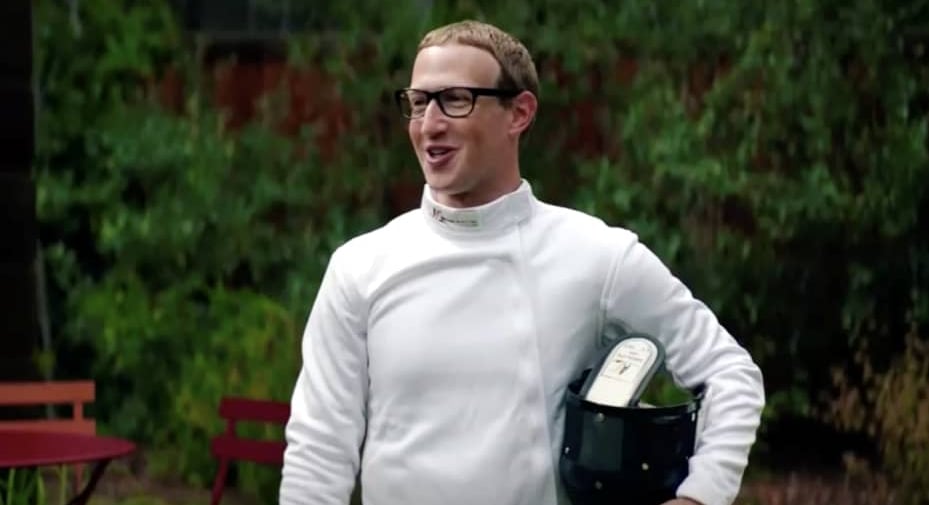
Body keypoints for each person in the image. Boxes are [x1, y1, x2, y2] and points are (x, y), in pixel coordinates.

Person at [279, 19, 765, 505]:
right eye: (419, 102)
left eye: (455, 99)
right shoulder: (360, 268)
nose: (429, 124)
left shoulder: (596, 256)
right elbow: (319, 450)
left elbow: (730, 374)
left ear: (519, 113)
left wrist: (701, 495)